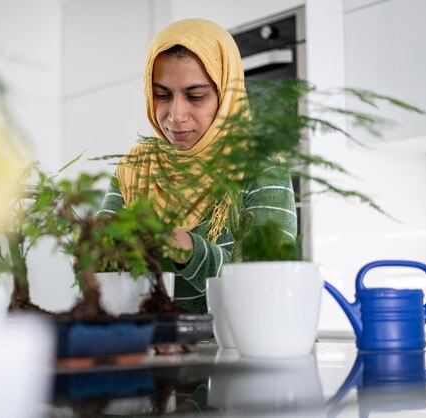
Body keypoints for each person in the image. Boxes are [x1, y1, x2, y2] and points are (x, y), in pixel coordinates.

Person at [97, 18, 297, 313]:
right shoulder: (135, 170)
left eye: (196, 96)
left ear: (226, 96)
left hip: (242, 351)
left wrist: (189, 250)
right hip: (157, 350)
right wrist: (94, 251)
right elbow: (102, 269)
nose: (175, 115)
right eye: (162, 95)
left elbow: (266, 281)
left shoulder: (261, 169)